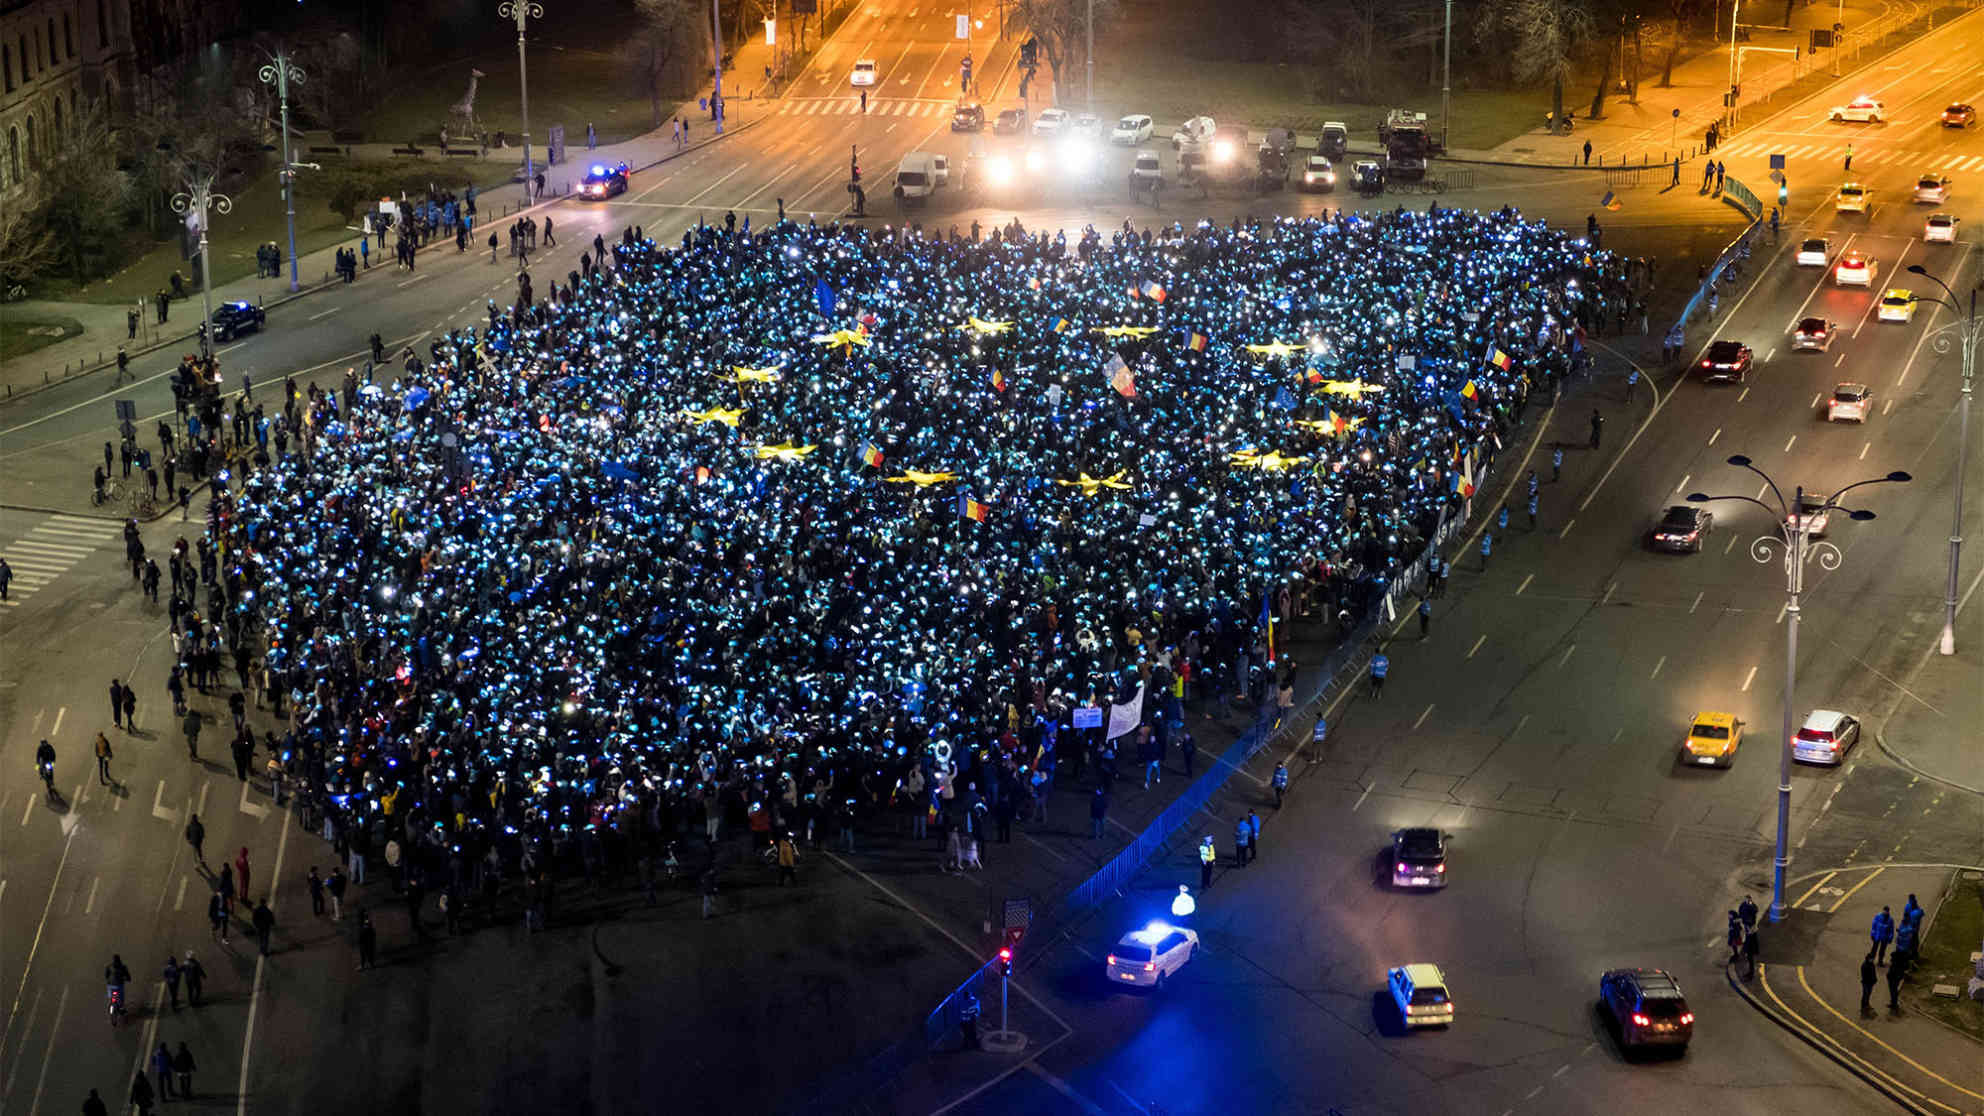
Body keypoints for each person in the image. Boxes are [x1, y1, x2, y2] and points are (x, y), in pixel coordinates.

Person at [1860, 949, 1878, 1014]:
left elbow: (1874, 972)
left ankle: (1867, 1004)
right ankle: (1863, 1007)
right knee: (1865, 994)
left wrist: (1875, 979)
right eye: (1871, 959)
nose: (1872, 960)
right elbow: (1864, 975)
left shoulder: (1872, 964)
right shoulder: (1864, 966)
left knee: (1868, 994)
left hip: (1871, 983)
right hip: (1866, 983)